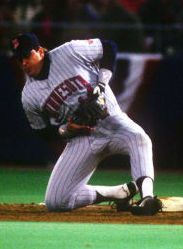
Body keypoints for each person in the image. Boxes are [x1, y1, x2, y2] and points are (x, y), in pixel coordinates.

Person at [10, 32, 162, 215]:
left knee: (139, 138)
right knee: (55, 202)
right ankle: (120, 193)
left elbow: (108, 47)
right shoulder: (29, 95)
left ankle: (147, 198)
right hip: (82, 140)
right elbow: (41, 132)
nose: (24, 63)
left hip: (112, 122)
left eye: (27, 55)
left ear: (40, 51)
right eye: (19, 59)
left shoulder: (69, 51)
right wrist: (66, 129)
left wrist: (102, 85)